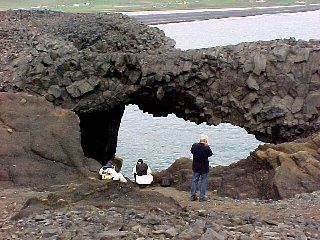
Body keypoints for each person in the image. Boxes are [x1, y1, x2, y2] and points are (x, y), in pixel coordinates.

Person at [190, 134, 213, 202]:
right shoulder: (206, 148)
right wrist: (207, 145)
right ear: (206, 140)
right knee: (203, 181)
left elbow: (192, 151)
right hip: (204, 167)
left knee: (194, 180)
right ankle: (202, 197)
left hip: (196, 166)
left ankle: (193, 195)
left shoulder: (194, 146)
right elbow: (210, 154)